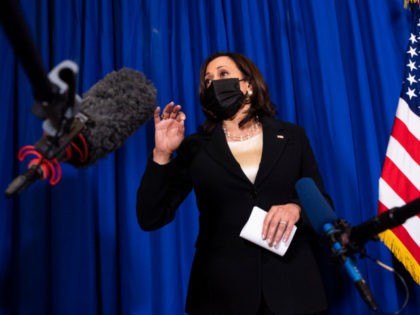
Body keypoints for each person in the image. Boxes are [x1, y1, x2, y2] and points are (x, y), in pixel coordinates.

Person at [136, 52, 330, 315]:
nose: (214, 82)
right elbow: (151, 216)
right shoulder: (195, 147)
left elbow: (321, 202)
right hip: (220, 293)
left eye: (223, 74)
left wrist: (295, 209)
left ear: (248, 84)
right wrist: (162, 154)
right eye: (208, 80)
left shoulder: (292, 136)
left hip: (292, 288)